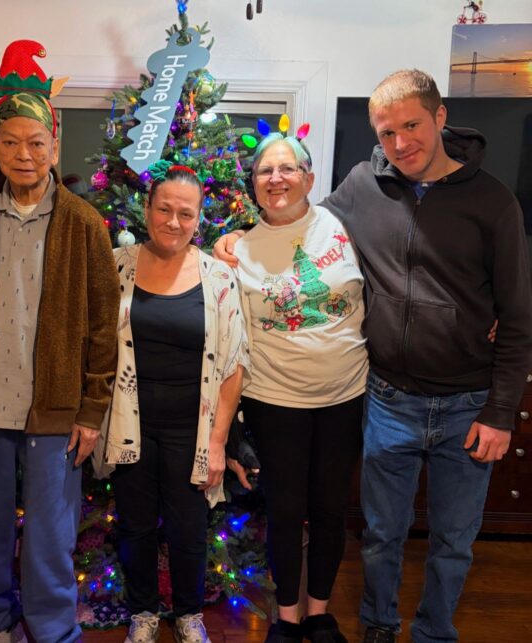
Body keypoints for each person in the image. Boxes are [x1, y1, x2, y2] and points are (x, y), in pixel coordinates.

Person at [216, 70, 532, 643]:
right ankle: (378, 628)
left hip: (466, 401)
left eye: (411, 125)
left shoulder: (493, 201)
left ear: (440, 118)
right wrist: (233, 237)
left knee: (453, 538)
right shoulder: (363, 186)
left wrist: (502, 410)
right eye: (386, 132)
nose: (400, 142)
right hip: (388, 399)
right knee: (383, 533)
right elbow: (290, 222)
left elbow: (516, 314)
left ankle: (435, 632)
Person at [0, 40, 120, 643]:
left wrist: (91, 409)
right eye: (10, 142)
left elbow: (102, 327)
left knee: (49, 538)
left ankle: (53, 630)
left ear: (54, 145)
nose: (24, 154)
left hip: (54, 415)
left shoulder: (84, 223)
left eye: (36, 142)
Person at [95, 165, 248, 643]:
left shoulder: (218, 277)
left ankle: (187, 615)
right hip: (129, 424)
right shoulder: (115, 265)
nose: (174, 221)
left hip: (193, 431)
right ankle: (142, 612)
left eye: (187, 213)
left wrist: (219, 442)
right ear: (147, 210)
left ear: (199, 219)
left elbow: (233, 366)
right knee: (135, 527)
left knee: (189, 530)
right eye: (165, 209)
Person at [230, 133, 367, 643]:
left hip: (343, 397)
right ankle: (286, 617)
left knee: (331, 510)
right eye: (265, 171)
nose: (276, 179)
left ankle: (320, 613)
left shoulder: (343, 227)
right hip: (274, 401)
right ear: (254, 185)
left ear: (309, 179)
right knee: (285, 512)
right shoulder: (237, 249)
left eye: (287, 169)